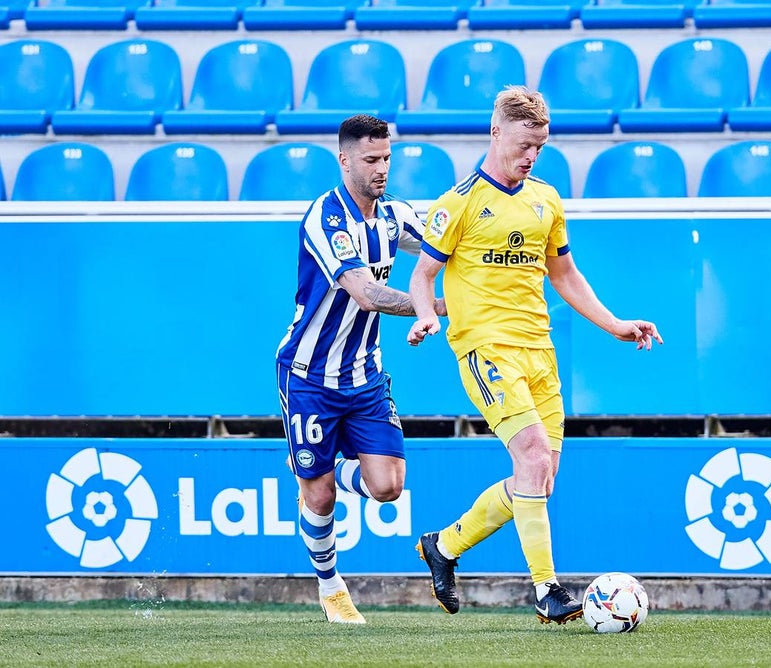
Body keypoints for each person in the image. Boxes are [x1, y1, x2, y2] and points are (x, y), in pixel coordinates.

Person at [405, 86, 662, 625]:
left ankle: (444, 547)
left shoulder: (546, 199)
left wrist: (615, 324)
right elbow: (422, 275)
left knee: (539, 479)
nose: (531, 157)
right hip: (485, 348)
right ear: (496, 131)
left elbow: (564, 273)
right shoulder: (459, 202)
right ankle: (546, 591)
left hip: (539, 353)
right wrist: (427, 314)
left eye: (540, 148)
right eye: (525, 145)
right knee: (533, 459)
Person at [275, 114, 446, 624]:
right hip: (308, 375)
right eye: (371, 160)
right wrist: (433, 308)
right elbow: (364, 292)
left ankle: (312, 466)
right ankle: (331, 588)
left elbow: (444, 245)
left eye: (387, 158)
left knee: (390, 486)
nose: (382, 169)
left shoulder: (394, 215)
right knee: (321, 496)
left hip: (364, 375)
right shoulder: (326, 219)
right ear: (345, 159)